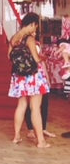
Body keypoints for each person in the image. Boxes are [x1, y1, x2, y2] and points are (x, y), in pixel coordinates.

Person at [8, 12, 50, 148]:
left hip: (19, 76)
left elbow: (9, 57)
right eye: (35, 26)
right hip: (33, 76)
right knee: (35, 108)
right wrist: (43, 57)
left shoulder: (14, 39)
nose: (36, 29)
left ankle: (16, 136)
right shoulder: (30, 39)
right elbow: (37, 59)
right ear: (32, 24)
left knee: (21, 106)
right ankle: (41, 141)